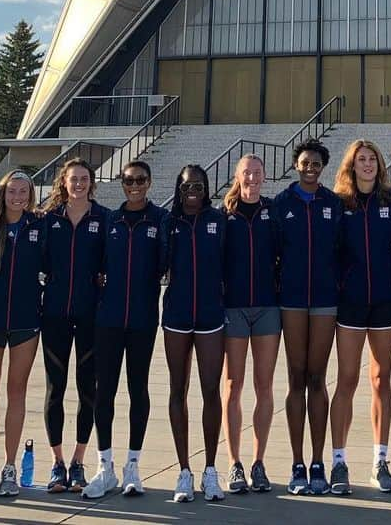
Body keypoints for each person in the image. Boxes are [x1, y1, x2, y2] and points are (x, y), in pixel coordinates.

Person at [82, 159, 166, 500]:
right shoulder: (108, 220)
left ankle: (133, 465)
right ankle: (106, 466)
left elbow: (165, 263)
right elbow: (94, 263)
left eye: (140, 179)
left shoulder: (160, 220)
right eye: (129, 179)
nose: (134, 185)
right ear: (121, 182)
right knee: (104, 392)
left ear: (149, 182)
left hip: (143, 319)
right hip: (109, 320)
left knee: (138, 390)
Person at [272, 137, 343, 496]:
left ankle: (318, 461)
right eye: (305, 162)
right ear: (295, 165)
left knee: (318, 378)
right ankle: (297, 462)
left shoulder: (333, 203)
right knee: (296, 378)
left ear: (323, 167)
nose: (311, 168)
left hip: (326, 301)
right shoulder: (281, 204)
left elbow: (344, 251)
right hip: (293, 301)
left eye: (316, 163)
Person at [329, 139, 391, 496]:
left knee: (380, 379)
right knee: (346, 380)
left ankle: (380, 461)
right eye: (362, 160)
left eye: (373, 159)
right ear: (351, 166)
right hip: (351, 304)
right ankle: (339, 461)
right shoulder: (341, 204)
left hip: (385, 303)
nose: (368, 164)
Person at [0, 169, 45, 501]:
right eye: (12, 191)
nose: (18, 197)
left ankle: (11, 466)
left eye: (24, 191)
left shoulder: (39, 227)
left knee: (17, 393)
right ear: (2, 194)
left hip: (26, 322)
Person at [39, 157, 108, 493]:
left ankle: (79, 461)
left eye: (84, 179)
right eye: (73, 179)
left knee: (87, 389)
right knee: (55, 389)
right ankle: (57, 462)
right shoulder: (49, 219)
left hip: (90, 316)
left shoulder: (104, 218)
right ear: (63, 183)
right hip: (54, 315)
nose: (78, 184)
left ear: (91, 183)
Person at [160, 164, 226, 504]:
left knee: (211, 389)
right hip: (176, 315)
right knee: (177, 389)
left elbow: (231, 264)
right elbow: (153, 264)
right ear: (179, 187)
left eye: (198, 186)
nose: (193, 191)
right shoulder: (168, 223)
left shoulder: (219, 220)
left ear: (206, 187)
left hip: (212, 315)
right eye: (187, 186)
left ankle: (211, 469)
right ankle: (184, 470)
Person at [221, 154, 280, 495]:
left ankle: (258, 462)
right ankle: (234, 463)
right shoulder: (226, 215)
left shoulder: (272, 213)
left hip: (267, 308)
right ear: (237, 175)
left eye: (258, 172)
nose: (253, 178)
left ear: (265, 175)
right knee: (233, 382)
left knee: (264, 384)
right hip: (235, 308)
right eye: (247, 173)